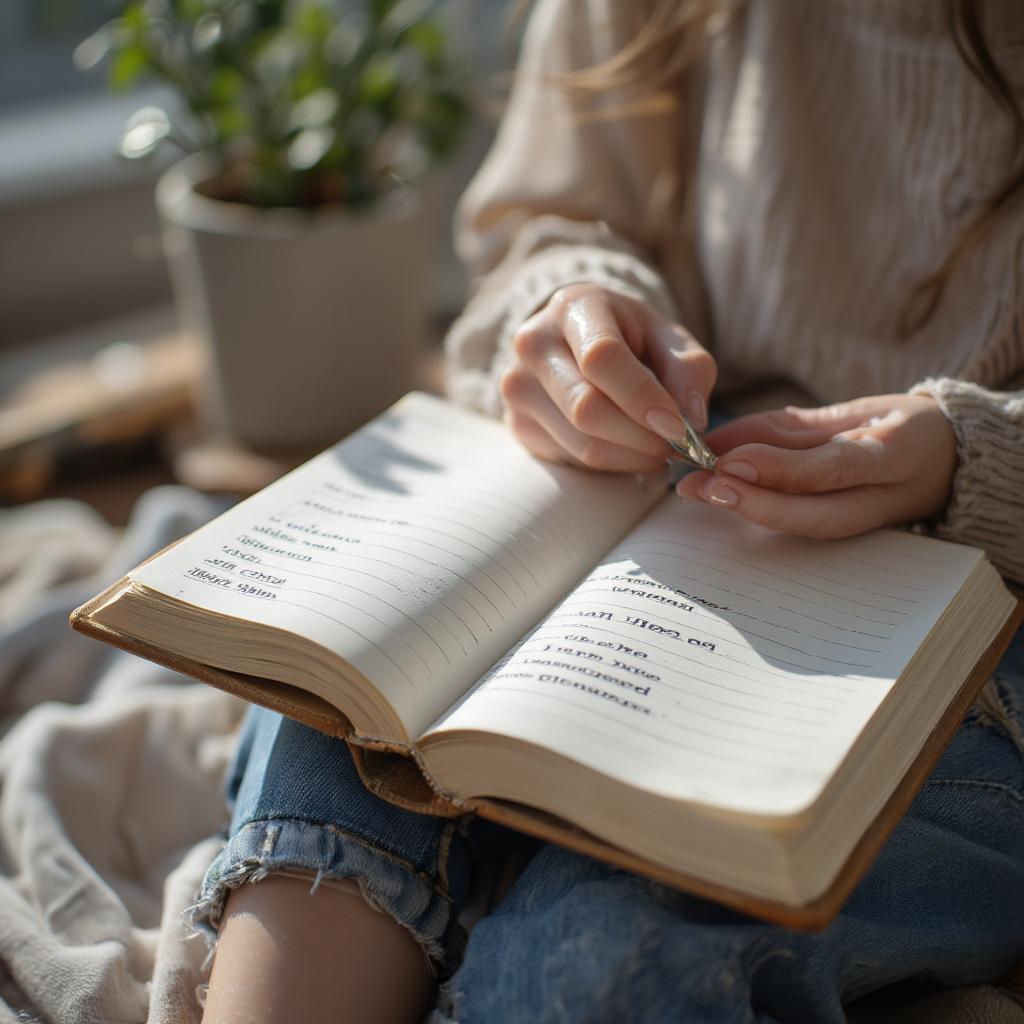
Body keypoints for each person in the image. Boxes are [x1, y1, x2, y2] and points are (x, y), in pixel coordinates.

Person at [194, 1, 1024, 1021]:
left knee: (602, 961)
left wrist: (972, 457)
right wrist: (575, 311)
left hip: (988, 611)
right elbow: (552, 218)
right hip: (648, 501)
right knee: (348, 733)